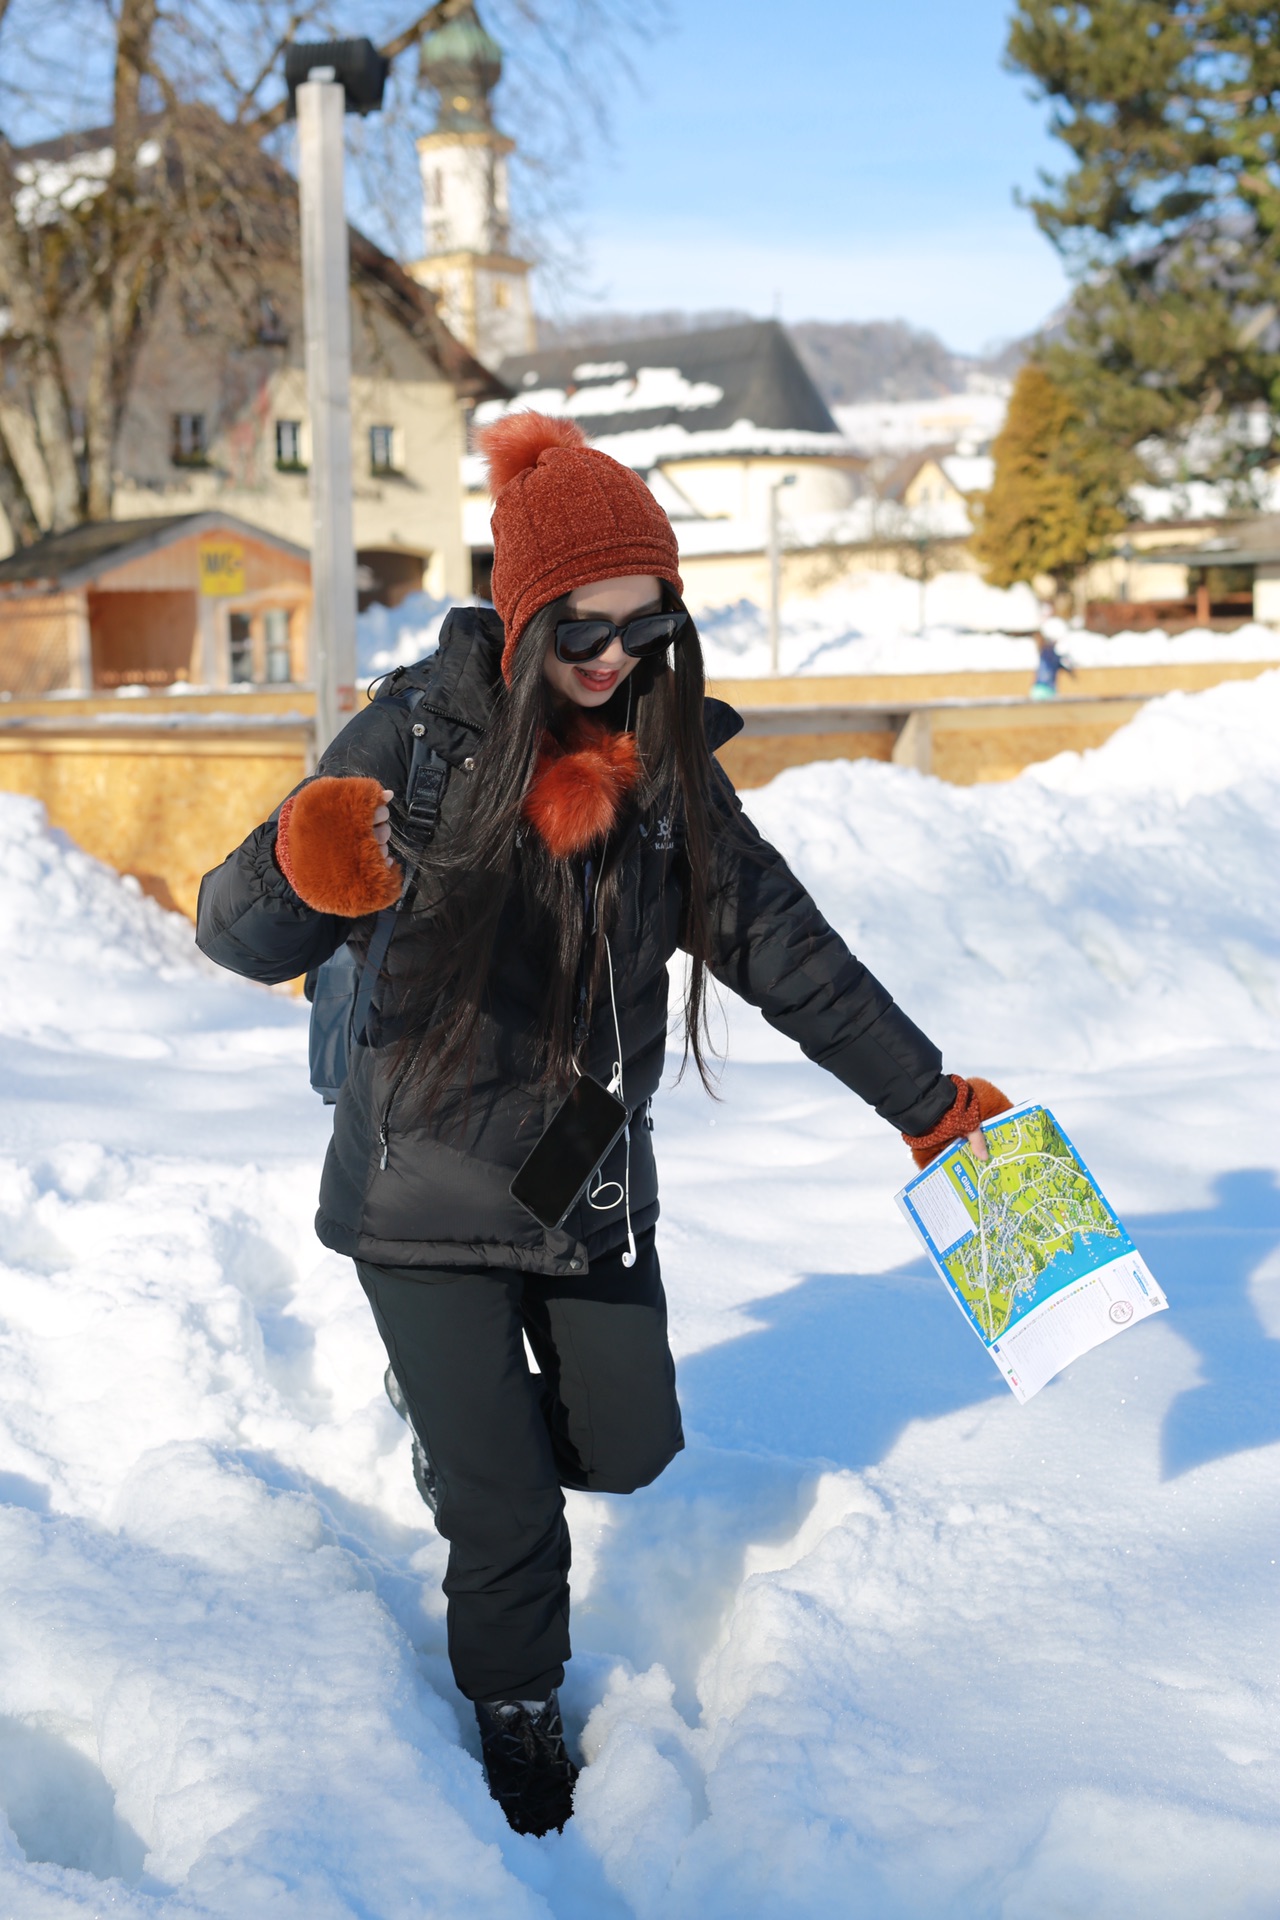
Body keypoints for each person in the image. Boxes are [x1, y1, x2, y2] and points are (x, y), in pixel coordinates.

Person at [195, 413, 1009, 1838]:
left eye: (646, 625)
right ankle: (516, 1709)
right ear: (521, 618)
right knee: (508, 1517)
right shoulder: (419, 735)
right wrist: (298, 863)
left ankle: (469, 1438)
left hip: (583, 1183)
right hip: (426, 1189)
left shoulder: (668, 763)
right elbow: (237, 929)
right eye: (583, 627)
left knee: (628, 1449)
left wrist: (927, 1102)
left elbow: (784, 946)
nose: (614, 658)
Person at [1031, 626, 1076, 699]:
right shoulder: (1046, 653)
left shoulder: (1052, 656)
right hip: (1043, 688)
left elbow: (1065, 665)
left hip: (1046, 689)